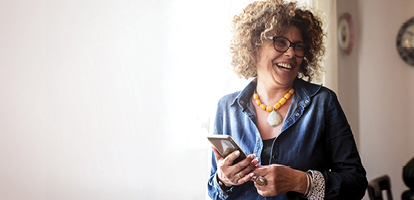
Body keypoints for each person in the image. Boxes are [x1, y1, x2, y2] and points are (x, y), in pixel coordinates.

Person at [207, 0, 368, 199]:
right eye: (280, 42)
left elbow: (356, 183)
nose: (291, 53)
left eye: (298, 46)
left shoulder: (323, 103)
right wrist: (223, 180)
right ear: (254, 47)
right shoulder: (226, 108)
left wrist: (300, 181)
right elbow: (214, 191)